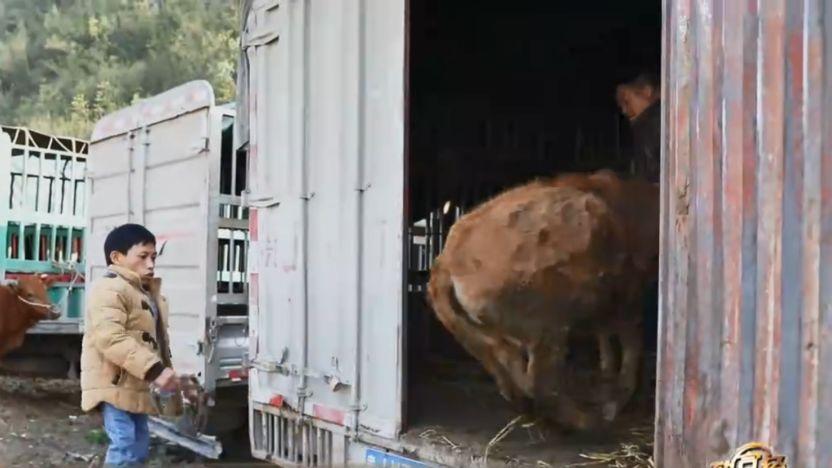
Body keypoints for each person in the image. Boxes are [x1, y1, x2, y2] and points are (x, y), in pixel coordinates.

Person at [80, 224, 178, 466]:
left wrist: (164, 371)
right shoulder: (109, 288)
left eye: (153, 257)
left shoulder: (142, 291)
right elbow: (110, 337)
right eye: (143, 256)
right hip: (112, 382)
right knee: (124, 444)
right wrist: (155, 369)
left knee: (139, 445)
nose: (151, 264)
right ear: (117, 257)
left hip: (135, 381)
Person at [616, 73, 661, 183]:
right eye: (621, 106)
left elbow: (650, 175)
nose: (624, 111)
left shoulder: (649, 123)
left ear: (647, 92)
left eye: (626, 102)